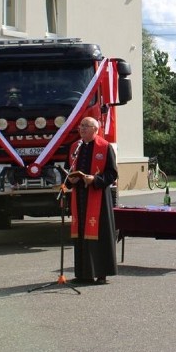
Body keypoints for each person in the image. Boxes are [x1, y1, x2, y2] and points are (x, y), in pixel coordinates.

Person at [65, 116, 118, 284]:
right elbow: (70, 170)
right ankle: (83, 274)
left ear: (96, 129)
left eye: (86, 126)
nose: (82, 129)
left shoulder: (105, 147)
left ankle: (101, 273)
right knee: (81, 234)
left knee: (99, 235)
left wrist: (94, 180)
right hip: (79, 197)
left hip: (98, 198)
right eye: (81, 126)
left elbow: (112, 174)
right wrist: (70, 180)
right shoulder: (75, 147)